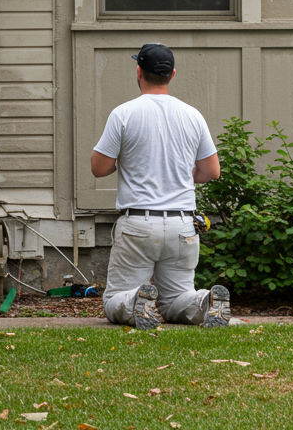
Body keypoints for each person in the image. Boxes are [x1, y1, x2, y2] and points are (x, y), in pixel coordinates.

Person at [91, 43, 238, 329]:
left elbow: (99, 168)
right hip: (183, 225)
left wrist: (128, 163)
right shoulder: (193, 115)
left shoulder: (123, 113)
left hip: (138, 224)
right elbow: (212, 171)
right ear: (172, 74)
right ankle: (205, 302)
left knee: (114, 299)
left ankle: (135, 301)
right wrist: (179, 174)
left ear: (138, 73)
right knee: (175, 299)